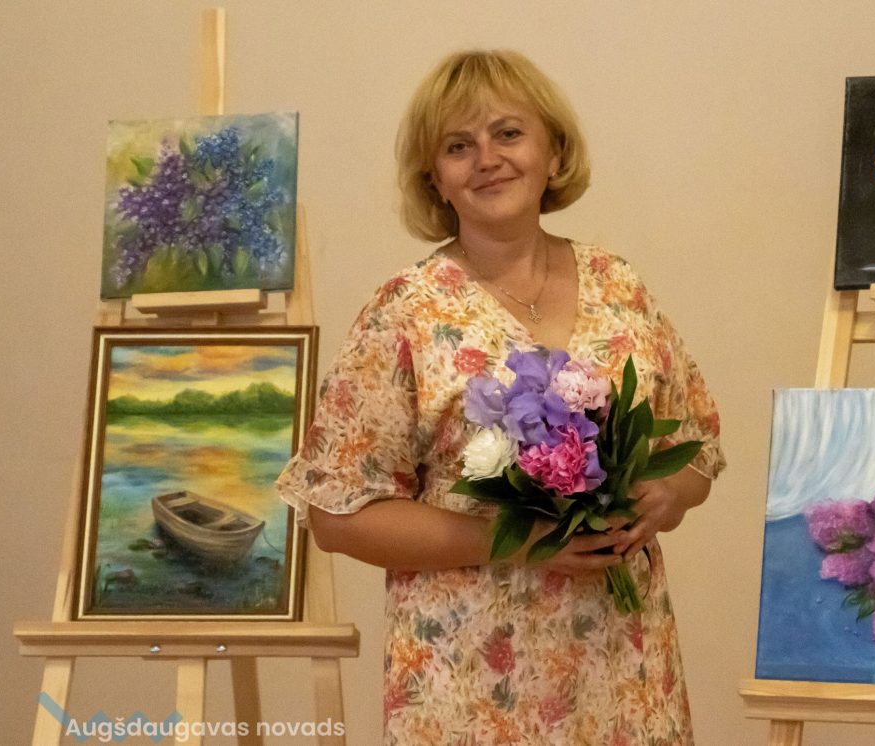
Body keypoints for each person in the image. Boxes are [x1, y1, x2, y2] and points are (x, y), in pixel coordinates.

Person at [276, 49, 726, 745]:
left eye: (508, 133)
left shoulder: (619, 284)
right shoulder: (406, 311)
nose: (487, 159)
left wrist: (667, 497)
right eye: (458, 146)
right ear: (436, 179)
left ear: (554, 151)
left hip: (624, 674)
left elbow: (696, 447)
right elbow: (336, 514)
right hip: (470, 686)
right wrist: (520, 543)